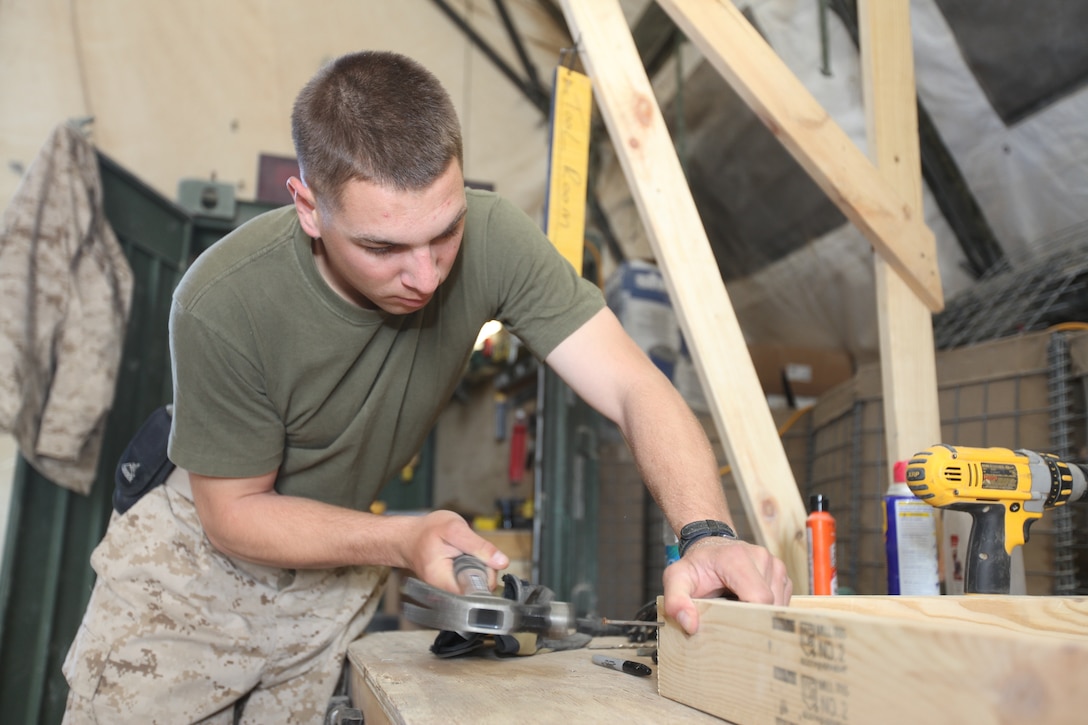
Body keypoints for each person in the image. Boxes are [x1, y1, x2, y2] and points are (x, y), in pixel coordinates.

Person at [62, 50, 791, 723]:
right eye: (383, 246)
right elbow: (234, 512)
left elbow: (636, 386)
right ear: (309, 207)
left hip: (334, 558)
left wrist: (706, 534)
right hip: (193, 565)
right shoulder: (222, 301)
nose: (427, 275)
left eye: (444, 231)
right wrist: (405, 536)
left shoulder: (497, 238)